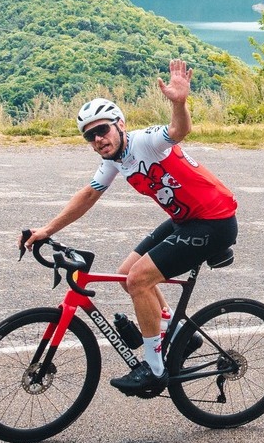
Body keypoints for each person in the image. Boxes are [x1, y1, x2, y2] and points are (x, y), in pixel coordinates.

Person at [23, 60, 238, 396]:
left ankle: (154, 370)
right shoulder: (114, 160)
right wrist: (47, 230)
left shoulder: (145, 141)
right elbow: (89, 194)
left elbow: (178, 131)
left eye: (102, 130)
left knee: (139, 279)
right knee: (127, 275)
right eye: (90, 136)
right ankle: (181, 335)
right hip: (186, 220)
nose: (98, 139)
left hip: (215, 220)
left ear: (120, 125)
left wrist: (179, 103)